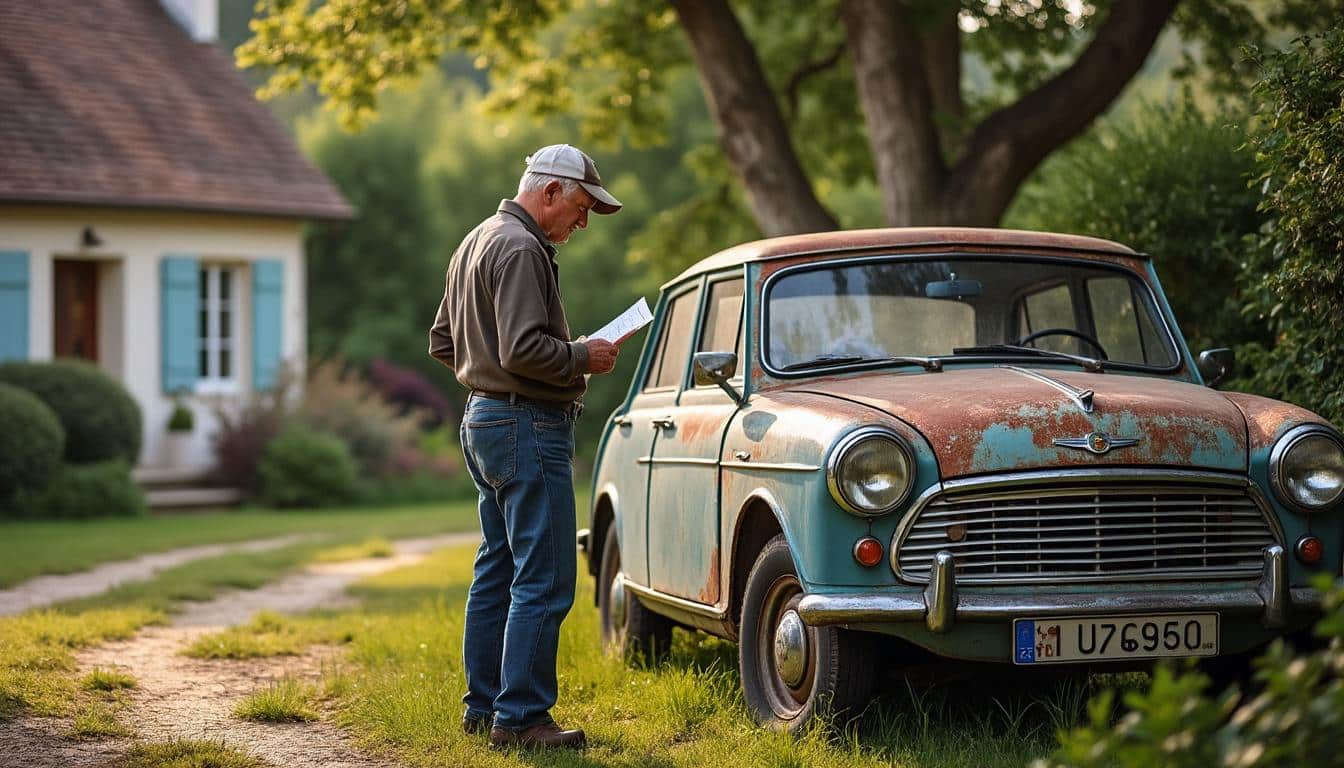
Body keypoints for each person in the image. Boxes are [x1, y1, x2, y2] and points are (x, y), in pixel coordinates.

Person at [428, 144, 622, 750]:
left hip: (484, 421)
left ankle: (483, 709)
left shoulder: (476, 240)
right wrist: (581, 357)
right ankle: (523, 720)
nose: (583, 223)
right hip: (526, 427)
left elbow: (442, 342)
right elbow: (522, 351)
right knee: (545, 576)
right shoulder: (520, 248)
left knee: (498, 569)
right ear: (551, 191)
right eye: (583, 208)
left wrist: (487, 375)